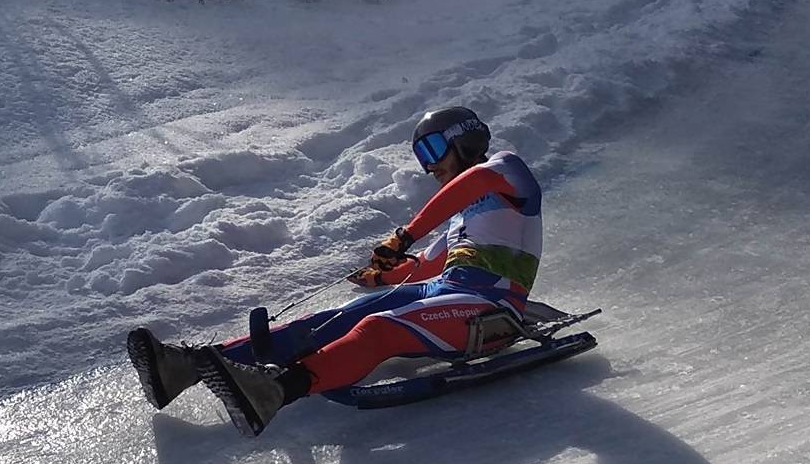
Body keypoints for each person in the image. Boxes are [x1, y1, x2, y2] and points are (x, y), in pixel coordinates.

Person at [126, 106, 545, 436]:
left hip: (491, 307)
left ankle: (275, 392)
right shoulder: (461, 219)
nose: (428, 166)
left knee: (379, 327)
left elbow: (469, 186)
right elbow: (428, 268)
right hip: (446, 291)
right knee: (337, 316)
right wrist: (379, 278)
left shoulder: (508, 170)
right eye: (422, 157)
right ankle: (185, 367)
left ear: (465, 142)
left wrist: (403, 237)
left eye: (433, 151)